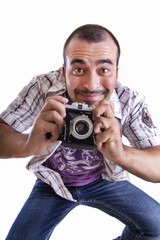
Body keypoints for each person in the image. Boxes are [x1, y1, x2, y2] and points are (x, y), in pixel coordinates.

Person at [0, 24, 160, 240]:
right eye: (78, 69)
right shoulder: (42, 87)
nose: (91, 85)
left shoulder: (129, 100)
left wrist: (121, 153)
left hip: (104, 179)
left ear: (116, 73)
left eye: (104, 70)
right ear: (64, 71)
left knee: (157, 225)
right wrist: (28, 143)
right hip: (53, 183)